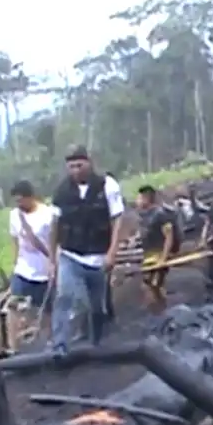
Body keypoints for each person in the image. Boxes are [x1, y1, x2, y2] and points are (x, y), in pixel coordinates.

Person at [48, 145, 125, 356]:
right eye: (71, 166)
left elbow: (117, 220)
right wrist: (52, 260)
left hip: (99, 257)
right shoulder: (61, 191)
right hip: (70, 255)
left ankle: (96, 342)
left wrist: (112, 252)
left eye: (79, 165)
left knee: (97, 307)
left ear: (89, 163)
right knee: (66, 297)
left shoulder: (107, 185)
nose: (75, 170)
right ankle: (60, 345)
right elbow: (54, 225)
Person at [8, 181, 56, 330]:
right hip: (22, 271)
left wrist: (54, 264)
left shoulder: (48, 214)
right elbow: (15, 240)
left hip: (43, 272)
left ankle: (47, 339)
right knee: (14, 308)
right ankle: (15, 342)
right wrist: (15, 264)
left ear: (31, 197)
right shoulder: (14, 215)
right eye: (16, 201)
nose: (18, 204)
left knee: (46, 311)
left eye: (21, 200)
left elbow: (56, 242)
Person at [135, 185, 181, 313]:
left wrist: (163, 258)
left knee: (154, 285)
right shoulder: (145, 215)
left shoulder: (161, 215)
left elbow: (169, 236)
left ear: (146, 198)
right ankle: (160, 310)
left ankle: (162, 310)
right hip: (148, 256)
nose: (137, 200)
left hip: (158, 255)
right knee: (150, 286)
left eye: (139, 197)